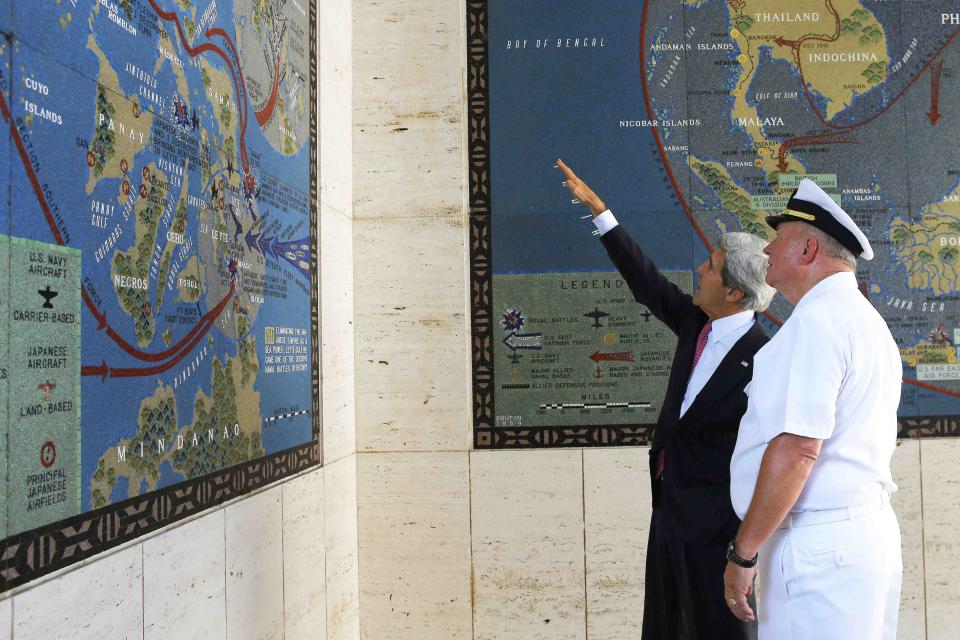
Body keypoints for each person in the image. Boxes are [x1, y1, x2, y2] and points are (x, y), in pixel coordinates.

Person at [558, 159, 774, 639]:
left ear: (737, 293)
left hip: (719, 533)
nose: (700, 269)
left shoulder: (766, 359)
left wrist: (747, 548)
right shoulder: (696, 324)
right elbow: (646, 282)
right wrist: (600, 213)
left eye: (712, 267)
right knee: (664, 627)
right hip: (669, 512)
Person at [723, 178, 903, 639]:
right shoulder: (863, 319)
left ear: (806, 250)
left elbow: (799, 448)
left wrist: (744, 553)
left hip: (821, 548)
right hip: (859, 537)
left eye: (778, 239)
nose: (766, 249)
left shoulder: (816, 323)